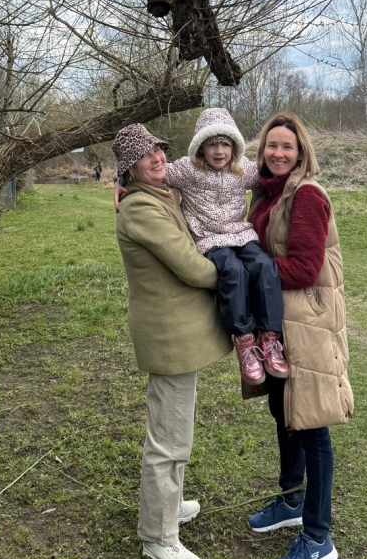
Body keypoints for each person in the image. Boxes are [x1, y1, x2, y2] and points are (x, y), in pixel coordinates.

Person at [113, 122, 231, 559]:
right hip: (168, 337)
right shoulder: (141, 210)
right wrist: (233, 271)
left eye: (159, 150)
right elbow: (193, 269)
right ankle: (158, 538)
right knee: (168, 439)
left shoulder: (158, 197)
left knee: (177, 427)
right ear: (130, 167)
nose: (158, 158)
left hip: (180, 334)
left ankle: (170, 506)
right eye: (146, 155)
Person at [244, 112, 354, 559]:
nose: (278, 153)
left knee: (311, 424)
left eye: (287, 147)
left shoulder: (306, 195)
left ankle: (318, 536)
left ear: (301, 151)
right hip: (278, 323)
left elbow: (306, 268)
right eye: (272, 145)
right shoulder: (268, 191)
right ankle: (291, 499)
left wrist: (254, 274)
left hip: (306, 323)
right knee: (283, 410)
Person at [116, 108, 288, 385]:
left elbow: (274, 177)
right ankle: (244, 341)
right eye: (211, 144)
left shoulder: (244, 170)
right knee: (233, 272)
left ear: (235, 147)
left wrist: (301, 178)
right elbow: (148, 170)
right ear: (200, 148)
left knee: (265, 267)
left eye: (225, 144)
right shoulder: (186, 170)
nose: (219, 151)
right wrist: (119, 181)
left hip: (241, 234)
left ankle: (269, 338)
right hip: (208, 238)